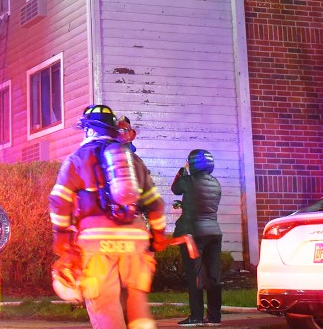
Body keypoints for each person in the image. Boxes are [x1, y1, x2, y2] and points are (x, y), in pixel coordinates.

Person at [50, 104, 168, 329]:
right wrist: (158, 234)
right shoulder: (133, 161)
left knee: (104, 304)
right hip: (134, 240)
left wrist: (62, 235)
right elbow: (155, 203)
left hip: (97, 242)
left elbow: (59, 200)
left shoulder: (77, 159)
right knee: (137, 302)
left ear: (88, 130)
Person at [172, 149, 223, 327]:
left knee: (195, 275)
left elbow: (175, 188)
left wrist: (182, 169)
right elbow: (203, 203)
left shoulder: (188, 180)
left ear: (192, 163)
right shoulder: (216, 183)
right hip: (213, 232)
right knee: (213, 275)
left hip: (193, 234)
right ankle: (215, 316)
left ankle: (196, 316)